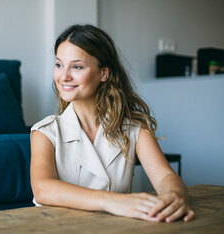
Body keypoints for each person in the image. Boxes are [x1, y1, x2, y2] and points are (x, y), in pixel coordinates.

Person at [30, 24, 194, 222]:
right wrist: (113, 202)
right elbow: (42, 189)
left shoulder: (135, 128)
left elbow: (166, 177)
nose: (63, 76)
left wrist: (176, 196)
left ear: (104, 73)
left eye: (77, 66)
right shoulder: (45, 132)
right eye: (58, 64)